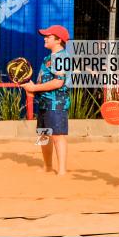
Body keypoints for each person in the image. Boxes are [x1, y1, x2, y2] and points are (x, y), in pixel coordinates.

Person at [22, 25, 72, 176]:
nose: (45, 38)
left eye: (48, 36)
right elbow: (42, 80)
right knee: (43, 135)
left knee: (57, 136)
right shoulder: (47, 58)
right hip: (45, 101)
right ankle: (48, 166)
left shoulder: (62, 57)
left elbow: (58, 82)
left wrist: (34, 89)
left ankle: (62, 170)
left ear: (58, 40)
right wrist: (32, 89)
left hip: (57, 102)